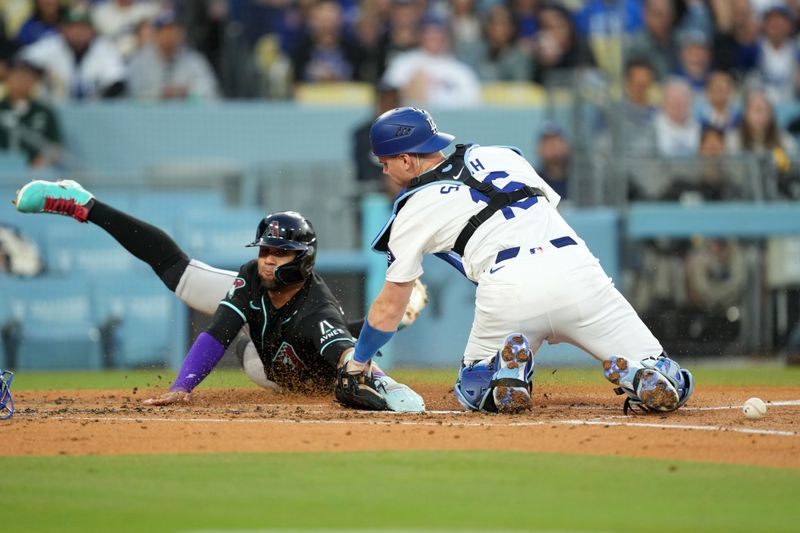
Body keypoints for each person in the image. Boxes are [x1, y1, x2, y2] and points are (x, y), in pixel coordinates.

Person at [339, 107, 694, 415]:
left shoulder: (411, 209)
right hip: (579, 271)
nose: (384, 172)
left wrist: (358, 362)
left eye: (385, 163)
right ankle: (639, 374)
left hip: (510, 288)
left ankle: (505, 373)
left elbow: (390, 306)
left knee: (473, 391)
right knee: (672, 378)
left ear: (405, 159)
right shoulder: (504, 155)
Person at [12, 180, 426, 413]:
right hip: (261, 317)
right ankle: (84, 204)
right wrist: (183, 386)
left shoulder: (316, 311)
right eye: (264, 250)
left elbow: (340, 352)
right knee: (182, 276)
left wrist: (386, 385)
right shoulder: (253, 276)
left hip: (265, 364)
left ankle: (398, 318)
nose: (267, 260)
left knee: (297, 340)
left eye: (279, 253)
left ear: (302, 260)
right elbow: (218, 331)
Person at [126, 12, 219, 100]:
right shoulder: (139, 61)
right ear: (156, 34)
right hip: (147, 115)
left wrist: (186, 92)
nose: (172, 34)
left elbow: (210, 91)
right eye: (167, 30)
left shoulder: (195, 60)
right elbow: (133, 94)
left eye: (176, 30)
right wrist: (161, 94)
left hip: (186, 114)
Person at [0, 58, 63, 167]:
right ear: (7, 80)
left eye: (26, 77)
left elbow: (56, 145)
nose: (21, 81)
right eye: (17, 76)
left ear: (34, 81)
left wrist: (41, 162)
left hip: (35, 173)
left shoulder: (44, 111)